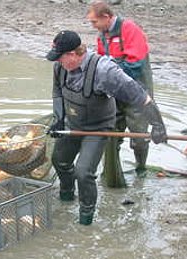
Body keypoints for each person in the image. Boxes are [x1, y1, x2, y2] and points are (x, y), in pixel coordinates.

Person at [46, 30, 167, 225]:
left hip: (98, 127)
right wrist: (59, 119)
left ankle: (85, 221)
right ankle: (66, 200)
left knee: (83, 172)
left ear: (72, 54)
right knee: (59, 161)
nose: (58, 62)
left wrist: (158, 124)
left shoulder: (105, 71)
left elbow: (140, 96)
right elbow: (57, 92)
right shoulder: (60, 68)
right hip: (73, 123)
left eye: (60, 58)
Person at [87, 0, 154, 175]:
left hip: (137, 92)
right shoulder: (102, 34)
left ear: (106, 17)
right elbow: (101, 61)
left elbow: (136, 64)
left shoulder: (130, 29)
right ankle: (111, 170)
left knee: (139, 136)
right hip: (114, 93)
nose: (93, 26)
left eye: (94, 22)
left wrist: (111, 68)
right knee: (110, 134)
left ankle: (141, 168)